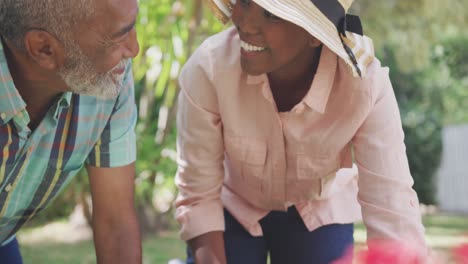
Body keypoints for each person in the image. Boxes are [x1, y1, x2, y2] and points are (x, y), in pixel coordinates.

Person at [174, 0, 427, 263]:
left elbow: (391, 208)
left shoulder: (364, 86)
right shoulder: (209, 68)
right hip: (234, 204)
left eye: (272, 14)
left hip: (318, 206)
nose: (245, 24)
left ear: (315, 34)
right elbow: (199, 194)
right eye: (245, 2)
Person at [0, 0, 141, 263]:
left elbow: (115, 222)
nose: (134, 49)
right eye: (120, 36)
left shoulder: (110, 78)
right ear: (44, 49)